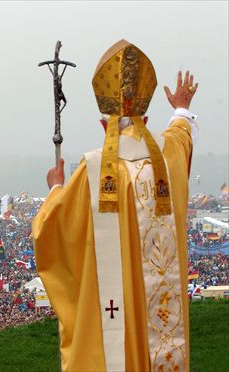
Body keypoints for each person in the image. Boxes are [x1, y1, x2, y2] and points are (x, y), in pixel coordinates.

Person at [32, 39, 199, 371]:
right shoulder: (167, 161)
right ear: (146, 120)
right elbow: (182, 134)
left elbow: (51, 231)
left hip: (111, 322)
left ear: (103, 125)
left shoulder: (92, 171)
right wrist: (180, 106)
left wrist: (55, 188)